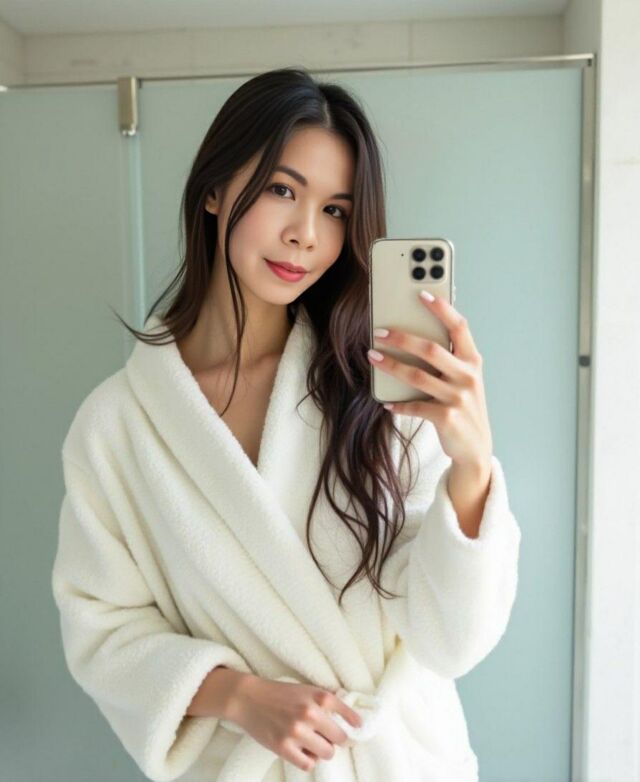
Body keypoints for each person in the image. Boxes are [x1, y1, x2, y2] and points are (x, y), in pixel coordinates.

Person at [51, 66, 522, 782]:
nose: (305, 235)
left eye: (334, 210)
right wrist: (239, 696)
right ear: (214, 190)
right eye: (281, 190)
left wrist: (473, 466)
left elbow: (452, 641)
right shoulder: (117, 427)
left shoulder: (378, 391)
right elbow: (101, 628)